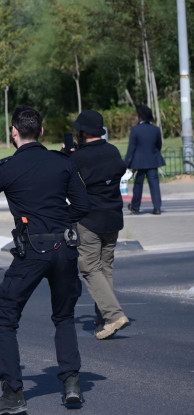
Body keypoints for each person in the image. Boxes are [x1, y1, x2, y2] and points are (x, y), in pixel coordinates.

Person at [0, 106, 90, 415]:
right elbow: (82, 204)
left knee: (6, 319)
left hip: (32, 251)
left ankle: (13, 394)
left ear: (13, 132)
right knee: (63, 316)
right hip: (64, 246)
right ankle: (72, 383)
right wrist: (60, 222)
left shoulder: (8, 168)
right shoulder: (62, 162)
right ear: (42, 131)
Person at [70, 110, 131, 340]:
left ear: (84, 132)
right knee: (106, 269)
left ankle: (114, 315)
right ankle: (104, 319)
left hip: (90, 220)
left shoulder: (78, 158)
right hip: (113, 218)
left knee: (89, 268)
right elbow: (120, 170)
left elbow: (69, 184)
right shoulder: (112, 151)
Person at [125, 105, 165, 215]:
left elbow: (131, 148)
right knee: (154, 185)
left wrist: (126, 163)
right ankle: (157, 208)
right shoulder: (156, 129)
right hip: (153, 161)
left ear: (140, 117)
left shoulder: (135, 130)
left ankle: (135, 207)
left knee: (138, 185)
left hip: (139, 163)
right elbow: (159, 145)